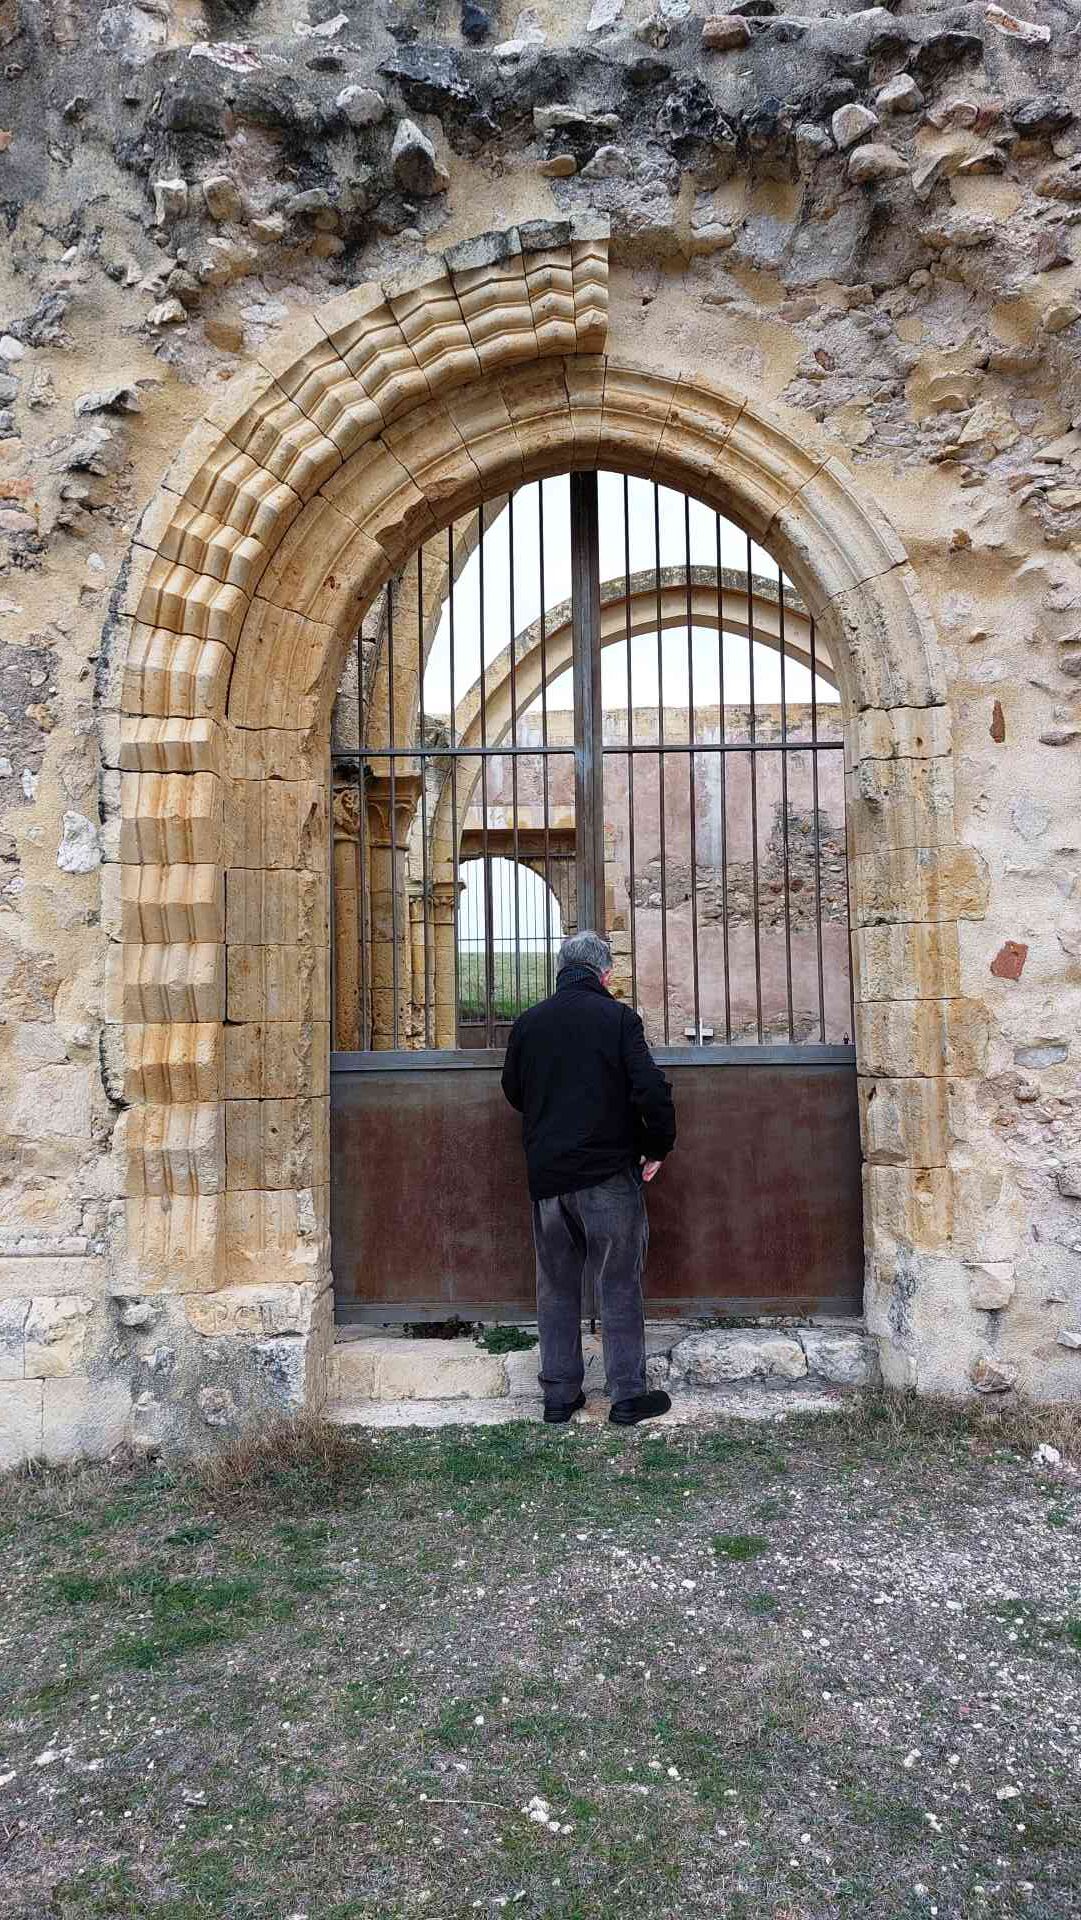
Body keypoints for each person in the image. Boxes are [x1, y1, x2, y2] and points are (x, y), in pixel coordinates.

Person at [501, 929, 677, 1427]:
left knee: (556, 1285)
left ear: (562, 969)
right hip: (607, 1175)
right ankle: (627, 1396)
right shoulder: (618, 1019)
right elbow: (651, 1089)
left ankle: (559, 1396)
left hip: (549, 1179)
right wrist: (657, 1145)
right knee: (618, 1280)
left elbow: (513, 1090)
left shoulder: (529, 1023)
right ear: (604, 974)